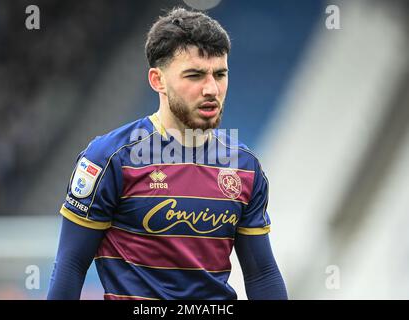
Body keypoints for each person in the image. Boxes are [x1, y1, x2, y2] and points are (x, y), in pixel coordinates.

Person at [47, 7, 287, 300]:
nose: (211, 88)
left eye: (220, 74)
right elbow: (71, 265)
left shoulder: (245, 167)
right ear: (158, 80)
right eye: (195, 75)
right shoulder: (108, 158)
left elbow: (261, 273)